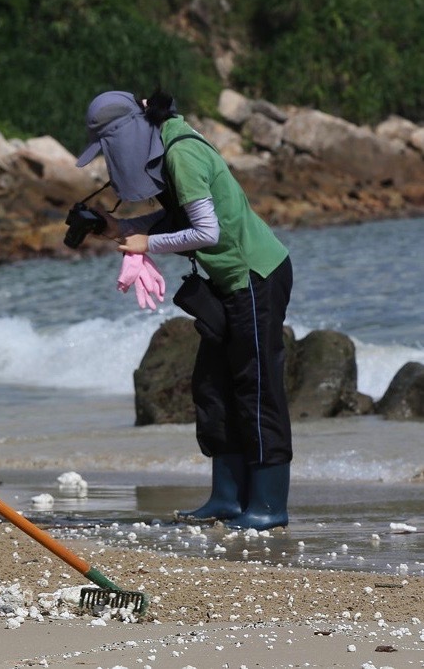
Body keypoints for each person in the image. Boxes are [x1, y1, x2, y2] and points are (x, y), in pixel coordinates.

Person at [76, 90, 293, 531]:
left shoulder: (182, 154)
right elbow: (177, 218)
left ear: (125, 138)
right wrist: (122, 227)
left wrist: (145, 242)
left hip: (255, 275)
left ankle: (269, 504)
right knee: (213, 385)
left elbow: (207, 232)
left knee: (255, 386)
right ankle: (227, 498)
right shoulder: (167, 147)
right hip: (225, 283)